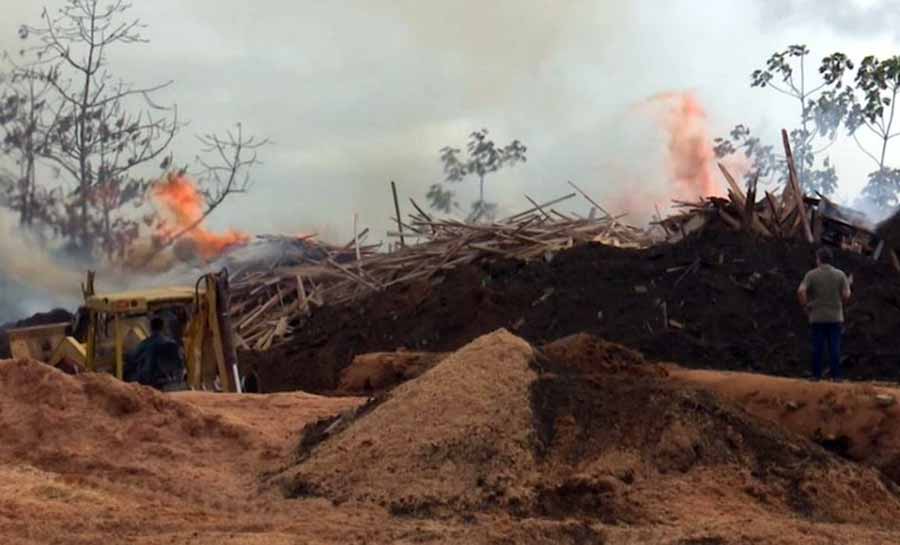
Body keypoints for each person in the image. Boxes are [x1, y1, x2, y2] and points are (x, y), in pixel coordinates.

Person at [797, 247, 852, 381]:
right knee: (834, 347)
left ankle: (816, 376)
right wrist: (840, 303)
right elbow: (847, 295)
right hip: (835, 316)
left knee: (817, 347)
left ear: (819, 259)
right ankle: (836, 377)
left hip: (817, 316)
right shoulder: (840, 275)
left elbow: (801, 291)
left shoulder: (811, 274)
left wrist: (805, 306)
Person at [125, 316, 187, 391]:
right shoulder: (173, 343)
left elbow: (133, 358)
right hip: (173, 381)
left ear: (151, 328)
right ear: (162, 327)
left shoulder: (145, 344)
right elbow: (180, 362)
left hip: (152, 383)